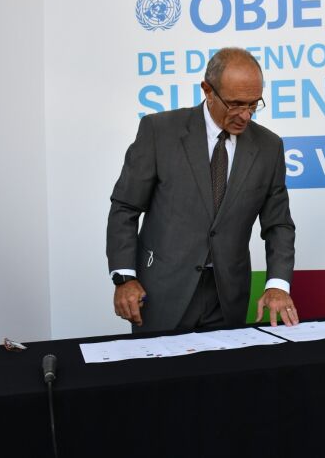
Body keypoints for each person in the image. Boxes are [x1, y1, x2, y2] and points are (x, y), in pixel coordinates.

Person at [107, 47, 298, 333]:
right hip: (160, 291)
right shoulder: (159, 131)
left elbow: (279, 225)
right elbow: (125, 207)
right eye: (235, 104)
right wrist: (124, 277)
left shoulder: (269, 147)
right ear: (207, 90)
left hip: (227, 297)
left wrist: (278, 285)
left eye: (253, 104)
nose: (245, 116)